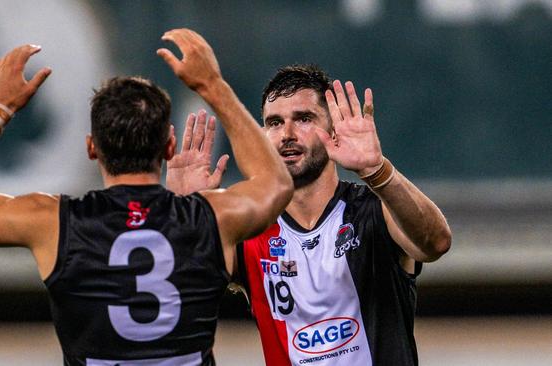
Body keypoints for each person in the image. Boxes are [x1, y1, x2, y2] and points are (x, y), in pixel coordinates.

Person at [0, 29, 293, 365]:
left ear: (92, 148)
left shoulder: (54, 222)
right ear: (169, 145)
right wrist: (213, 86)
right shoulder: (211, 217)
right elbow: (275, 183)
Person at [169, 65, 452, 365]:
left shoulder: (374, 210)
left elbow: (435, 243)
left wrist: (377, 171)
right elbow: (177, 288)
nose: (287, 135)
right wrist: (183, 215)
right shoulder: (250, 229)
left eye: (303, 119)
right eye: (274, 123)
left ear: (332, 129)